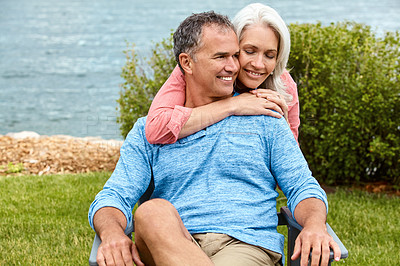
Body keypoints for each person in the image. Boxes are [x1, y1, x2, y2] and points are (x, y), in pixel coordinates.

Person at [88, 10, 341, 266]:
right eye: (221, 57)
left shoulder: (266, 118)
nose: (234, 67)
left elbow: (302, 186)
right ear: (186, 63)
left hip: (245, 246)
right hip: (171, 243)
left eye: (235, 55)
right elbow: (113, 196)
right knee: (151, 212)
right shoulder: (150, 131)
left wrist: (314, 225)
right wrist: (111, 234)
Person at [145, 3, 300, 145]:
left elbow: (291, 159)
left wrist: (281, 124)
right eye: (249, 51)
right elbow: (155, 129)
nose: (258, 64)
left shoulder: (284, 85)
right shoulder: (188, 70)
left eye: (270, 55)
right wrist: (234, 105)